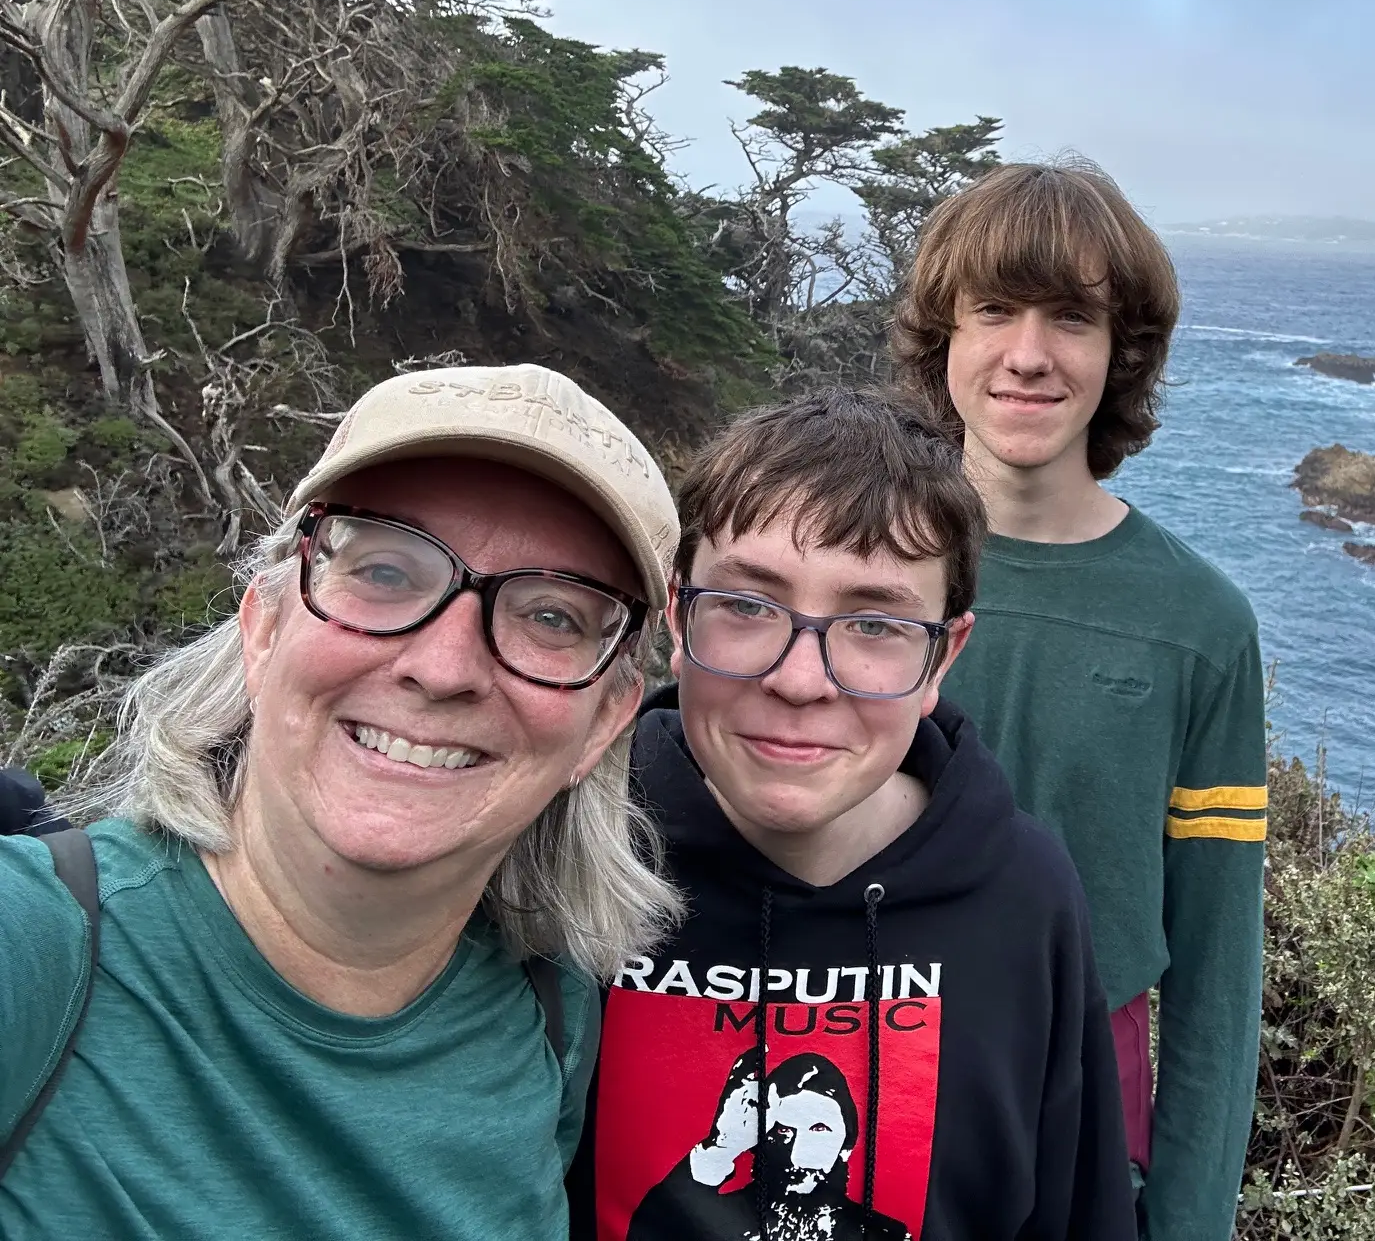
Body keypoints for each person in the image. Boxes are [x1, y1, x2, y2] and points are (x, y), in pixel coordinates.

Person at [0, 363, 682, 1238]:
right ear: (264, 626)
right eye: (388, 571)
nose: (441, 667)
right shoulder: (30, 947)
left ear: (604, 722)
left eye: (551, 616)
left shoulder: (549, 1017)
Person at [572, 389, 1135, 1241]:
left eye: (875, 623)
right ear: (679, 618)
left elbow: (1076, 1214)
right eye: (748, 607)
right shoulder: (573, 842)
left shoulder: (1023, 897)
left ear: (943, 654)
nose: (801, 681)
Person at [893, 163, 1268, 1240]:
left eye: (1072, 318)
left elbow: (1215, 965)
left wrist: (1190, 1217)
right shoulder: (857, 569)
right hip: (846, 1056)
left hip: (1081, 1103)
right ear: (945, 340)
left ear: (1122, 353)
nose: (1028, 353)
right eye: (994, 311)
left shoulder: (1199, 623)